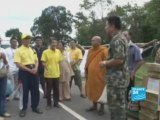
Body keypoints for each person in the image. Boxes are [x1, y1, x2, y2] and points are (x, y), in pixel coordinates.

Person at [100, 16, 129, 120]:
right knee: (120, 107)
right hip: (119, 79)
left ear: (112, 26)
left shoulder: (117, 40)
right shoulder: (120, 38)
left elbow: (119, 60)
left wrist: (105, 63)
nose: (106, 28)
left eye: (107, 25)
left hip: (117, 80)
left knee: (117, 109)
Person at [14, 34, 43, 117]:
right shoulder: (19, 50)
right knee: (24, 91)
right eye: (25, 39)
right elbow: (18, 64)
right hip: (24, 72)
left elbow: (37, 60)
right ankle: (23, 108)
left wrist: (36, 68)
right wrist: (29, 70)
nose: (27, 40)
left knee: (35, 90)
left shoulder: (32, 49)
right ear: (22, 40)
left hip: (34, 71)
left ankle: (35, 107)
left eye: (29, 39)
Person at [85, 36, 108, 115]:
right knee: (92, 90)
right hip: (91, 76)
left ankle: (102, 108)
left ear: (98, 42)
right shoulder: (90, 50)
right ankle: (94, 106)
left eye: (93, 40)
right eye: (91, 40)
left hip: (100, 75)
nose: (91, 42)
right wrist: (86, 70)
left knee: (100, 91)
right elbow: (88, 61)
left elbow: (106, 62)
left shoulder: (104, 50)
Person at [123, 31, 143, 102]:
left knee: (130, 91)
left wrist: (133, 71)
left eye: (125, 35)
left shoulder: (134, 47)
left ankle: (132, 107)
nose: (124, 37)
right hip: (121, 73)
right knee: (121, 91)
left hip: (129, 73)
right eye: (123, 35)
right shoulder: (121, 47)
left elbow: (140, 61)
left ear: (130, 36)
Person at [41, 39, 62, 109]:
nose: (54, 44)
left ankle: (56, 103)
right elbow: (43, 61)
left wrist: (60, 71)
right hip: (48, 74)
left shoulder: (58, 51)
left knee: (56, 90)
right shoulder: (45, 52)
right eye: (53, 43)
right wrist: (45, 66)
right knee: (49, 90)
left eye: (56, 43)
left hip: (56, 74)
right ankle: (48, 104)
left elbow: (59, 62)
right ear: (50, 43)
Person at [0, 36, 11, 120]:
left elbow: (6, 63)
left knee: (3, 94)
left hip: (2, 74)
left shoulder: (2, 50)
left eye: (0, 39)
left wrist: (3, 58)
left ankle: (2, 111)